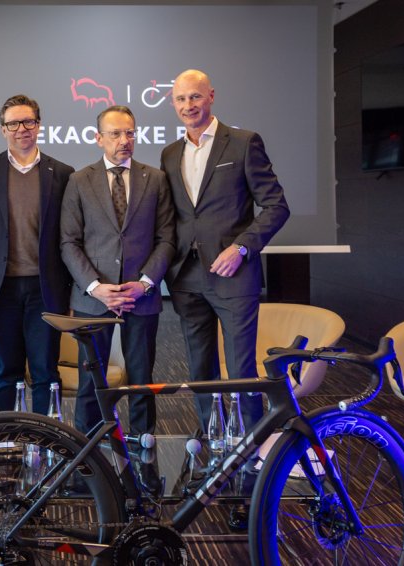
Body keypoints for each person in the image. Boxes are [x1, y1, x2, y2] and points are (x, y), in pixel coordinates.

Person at [160, 69, 289, 529]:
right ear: (173, 104)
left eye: (195, 96)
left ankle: (252, 467)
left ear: (211, 96)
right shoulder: (170, 152)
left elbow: (276, 205)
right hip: (187, 278)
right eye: (181, 99)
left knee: (241, 370)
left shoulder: (244, 142)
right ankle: (215, 450)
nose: (189, 105)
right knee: (199, 370)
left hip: (234, 275)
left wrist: (242, 248)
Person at [61, 105, 175, 437]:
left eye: (129, 133)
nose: (124, 140)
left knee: (141, 380)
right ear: (99, 138)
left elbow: (167, 238)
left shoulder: (155, 179)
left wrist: (144, 283)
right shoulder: (79, 181)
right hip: (94, 300)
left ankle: (143, 446)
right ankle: (87, 447)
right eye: (115, 134)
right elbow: (68, 242)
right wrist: (95, 286)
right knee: (90, 381)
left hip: (141, 298)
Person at [0, 94, 74, 415]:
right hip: (1, 290)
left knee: (46, 371)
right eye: (13, 123)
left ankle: (46, 437)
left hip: (45, 289)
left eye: (28, 122)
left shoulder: (62, 173)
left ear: (39, 125)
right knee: (8, 371)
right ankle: (10, 435)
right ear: (3, 129)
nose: (22, 129)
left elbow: (69, 236)